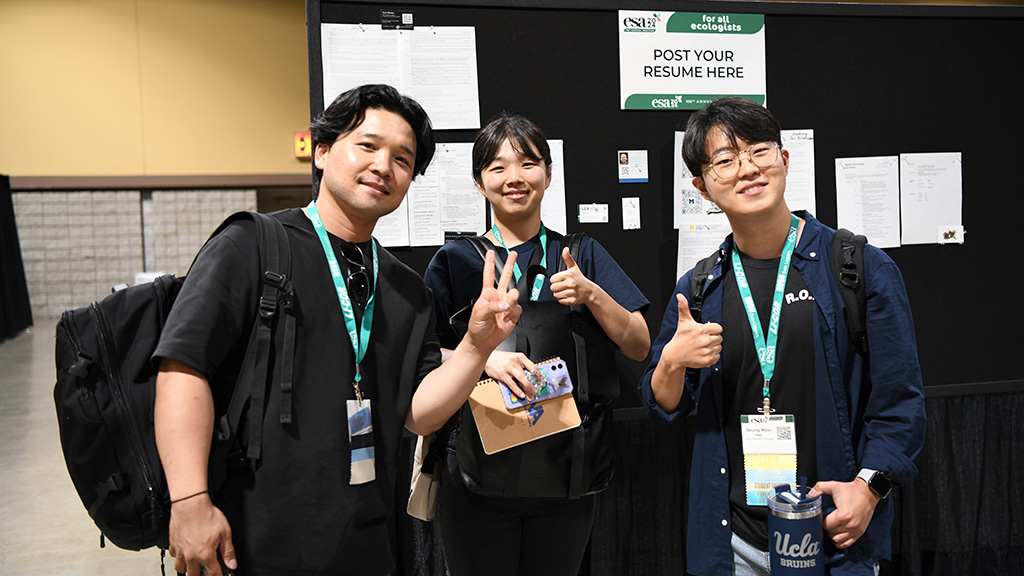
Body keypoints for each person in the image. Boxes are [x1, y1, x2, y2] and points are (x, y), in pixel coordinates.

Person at [152, 84, 523, 576]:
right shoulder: (253, 245)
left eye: (403, 159)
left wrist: (477, 346)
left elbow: (416, 413)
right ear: (323, 151)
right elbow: (183, 367)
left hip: (366, 535)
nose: (384, 166)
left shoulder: (406, 290)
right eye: (367, 146)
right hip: (253, 533)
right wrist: (190, 501)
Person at [639, 97, 925, 576]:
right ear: (702, 187)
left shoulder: (857, 268)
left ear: (785, 159)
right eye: (725, 161)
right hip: (733, 544)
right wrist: (671, 361)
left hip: (835, 533)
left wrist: (869, 487)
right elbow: (665, 407)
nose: (747, 169)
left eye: (759, 151)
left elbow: (901, 401)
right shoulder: (699, 288)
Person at [423, 112, 651, 576]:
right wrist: (481, 360)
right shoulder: (455, 261)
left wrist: (591, 294)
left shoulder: (580, 252)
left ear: (548, 174)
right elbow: (425, 358)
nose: (514, 178)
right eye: (497, 167)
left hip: (567, 465)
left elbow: (640, 345)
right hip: (475, 463)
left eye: (528, 163)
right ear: (479, 182)